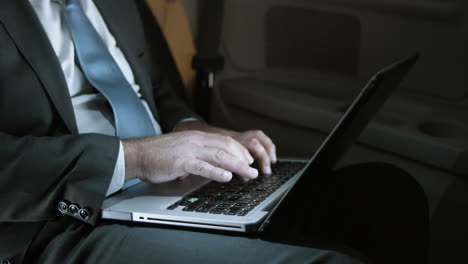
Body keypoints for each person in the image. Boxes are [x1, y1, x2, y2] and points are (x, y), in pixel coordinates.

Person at [0, 0, 429, 263]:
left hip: (176, 186)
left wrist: (198, 135)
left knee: (390, 195)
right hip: (63, 221)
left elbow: (162, 90)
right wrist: (138, 157)